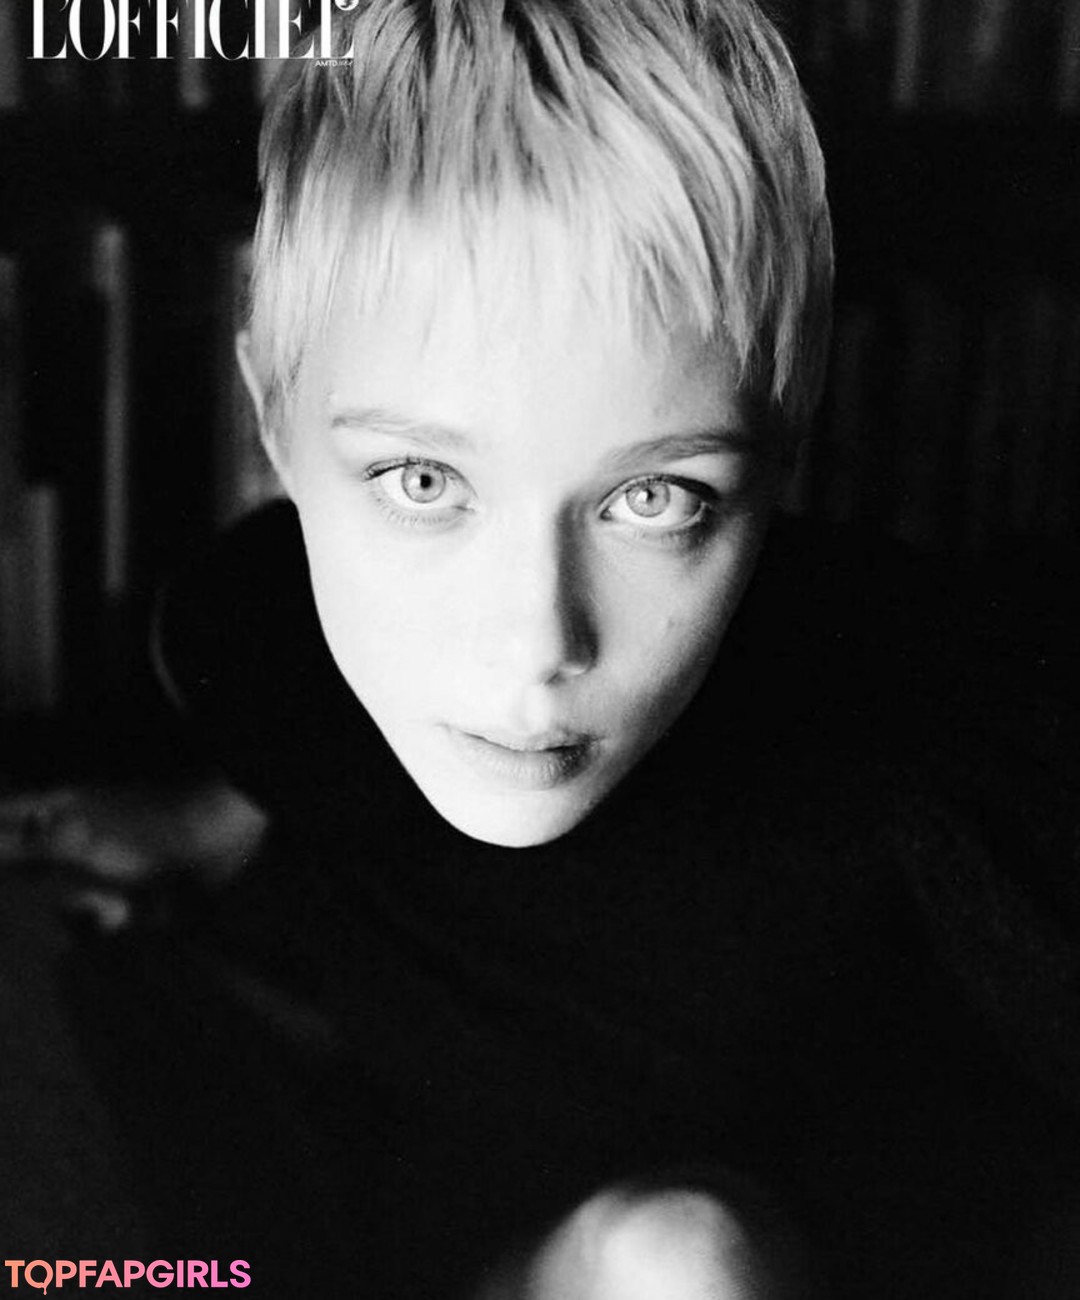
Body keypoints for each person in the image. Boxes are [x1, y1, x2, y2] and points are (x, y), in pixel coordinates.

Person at [3, 1, 1079, 1296]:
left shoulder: (950, 806)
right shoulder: (252, 631)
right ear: (274, 429)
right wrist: (204, 822)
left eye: (655, 499)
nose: (534, 644)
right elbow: (298, 734)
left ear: (781, 458)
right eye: (421, 482)